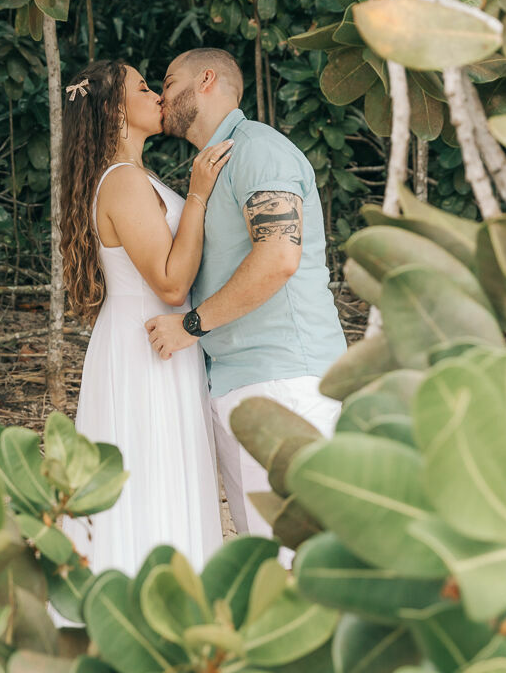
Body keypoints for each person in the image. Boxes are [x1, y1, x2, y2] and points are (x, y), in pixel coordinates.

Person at [144, 48, 347, 548]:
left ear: (206, 80)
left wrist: (189, 326)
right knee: (266, 552)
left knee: (295, 555)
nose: (161, 96)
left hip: (283, 380)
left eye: (168, 82)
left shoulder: (258, 150)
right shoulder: (216, 162)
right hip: (241, 380)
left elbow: (278, 257)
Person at [59, 58, 234, 576]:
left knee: (165, 472)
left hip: (162, 344)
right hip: (147, 350)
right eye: (144, 88)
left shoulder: (135, 176)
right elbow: (170, 282)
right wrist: (198, 192)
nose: (159, 97)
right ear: (115, 109)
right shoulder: (123, 182)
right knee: (148, 472)